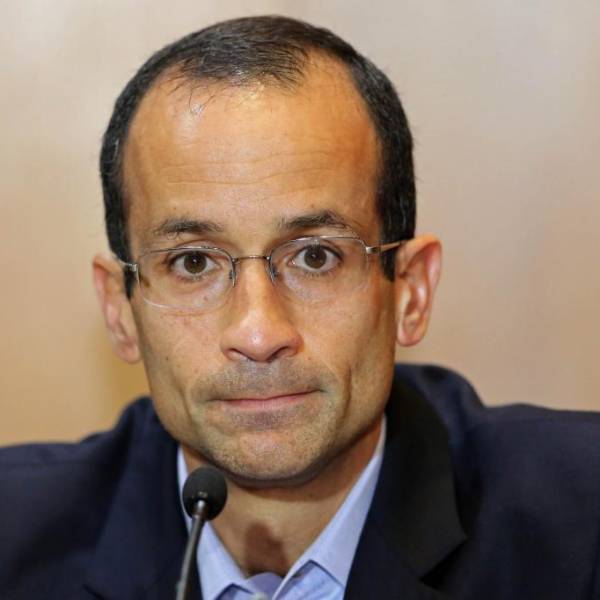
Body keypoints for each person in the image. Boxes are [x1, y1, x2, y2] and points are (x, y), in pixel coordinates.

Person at [1, 15, 599, 600]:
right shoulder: (14, 540)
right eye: (193, 262)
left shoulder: (581, 524)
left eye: (315, 256)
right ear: (120, 308)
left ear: (410, 290)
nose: (258, 332)